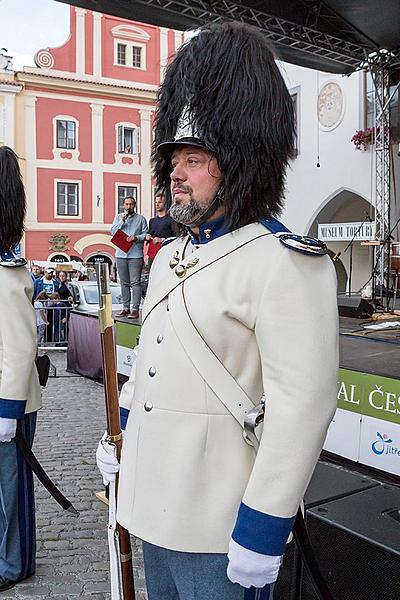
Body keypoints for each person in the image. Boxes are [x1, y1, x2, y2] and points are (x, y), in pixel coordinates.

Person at [97, 22, 338, 600]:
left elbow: (302, 407)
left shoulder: (284, 261)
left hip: (220, 525)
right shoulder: (167, 258)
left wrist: (264, 522)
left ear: (235, 161)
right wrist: (124, 438)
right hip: (153, 506)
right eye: (173, 156)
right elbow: (151, 368)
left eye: (195, 157)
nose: (175, 171)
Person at [0, 146, 41, 592]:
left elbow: (18, 346)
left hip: (8, 401)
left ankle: (15, 564)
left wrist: (8, 411)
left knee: (12, 491)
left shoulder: (6, 275)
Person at [111, 196, 148, 319]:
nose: (128, 207)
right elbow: (112, 232)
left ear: (134, 205)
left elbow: (146, 234)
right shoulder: (118, 217)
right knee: (124, 283)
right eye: (126, 204)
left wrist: (136, 237)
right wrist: (122, 221)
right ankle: (125, 308)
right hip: (121, 254)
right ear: (123, 205)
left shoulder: (141, 219)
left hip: (135, 254)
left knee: (135, 282)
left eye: (131, 204)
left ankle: (135, 309)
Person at [146, 194, 175, 266]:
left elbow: (176, 237)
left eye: (160, 202)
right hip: (153, 253)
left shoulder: (171, 220)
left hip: (166, 252)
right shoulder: (152, 220)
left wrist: (162, 239)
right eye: (156, 202)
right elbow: (150, 233)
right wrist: (147, 237)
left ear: (165, 204)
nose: (157, 204)